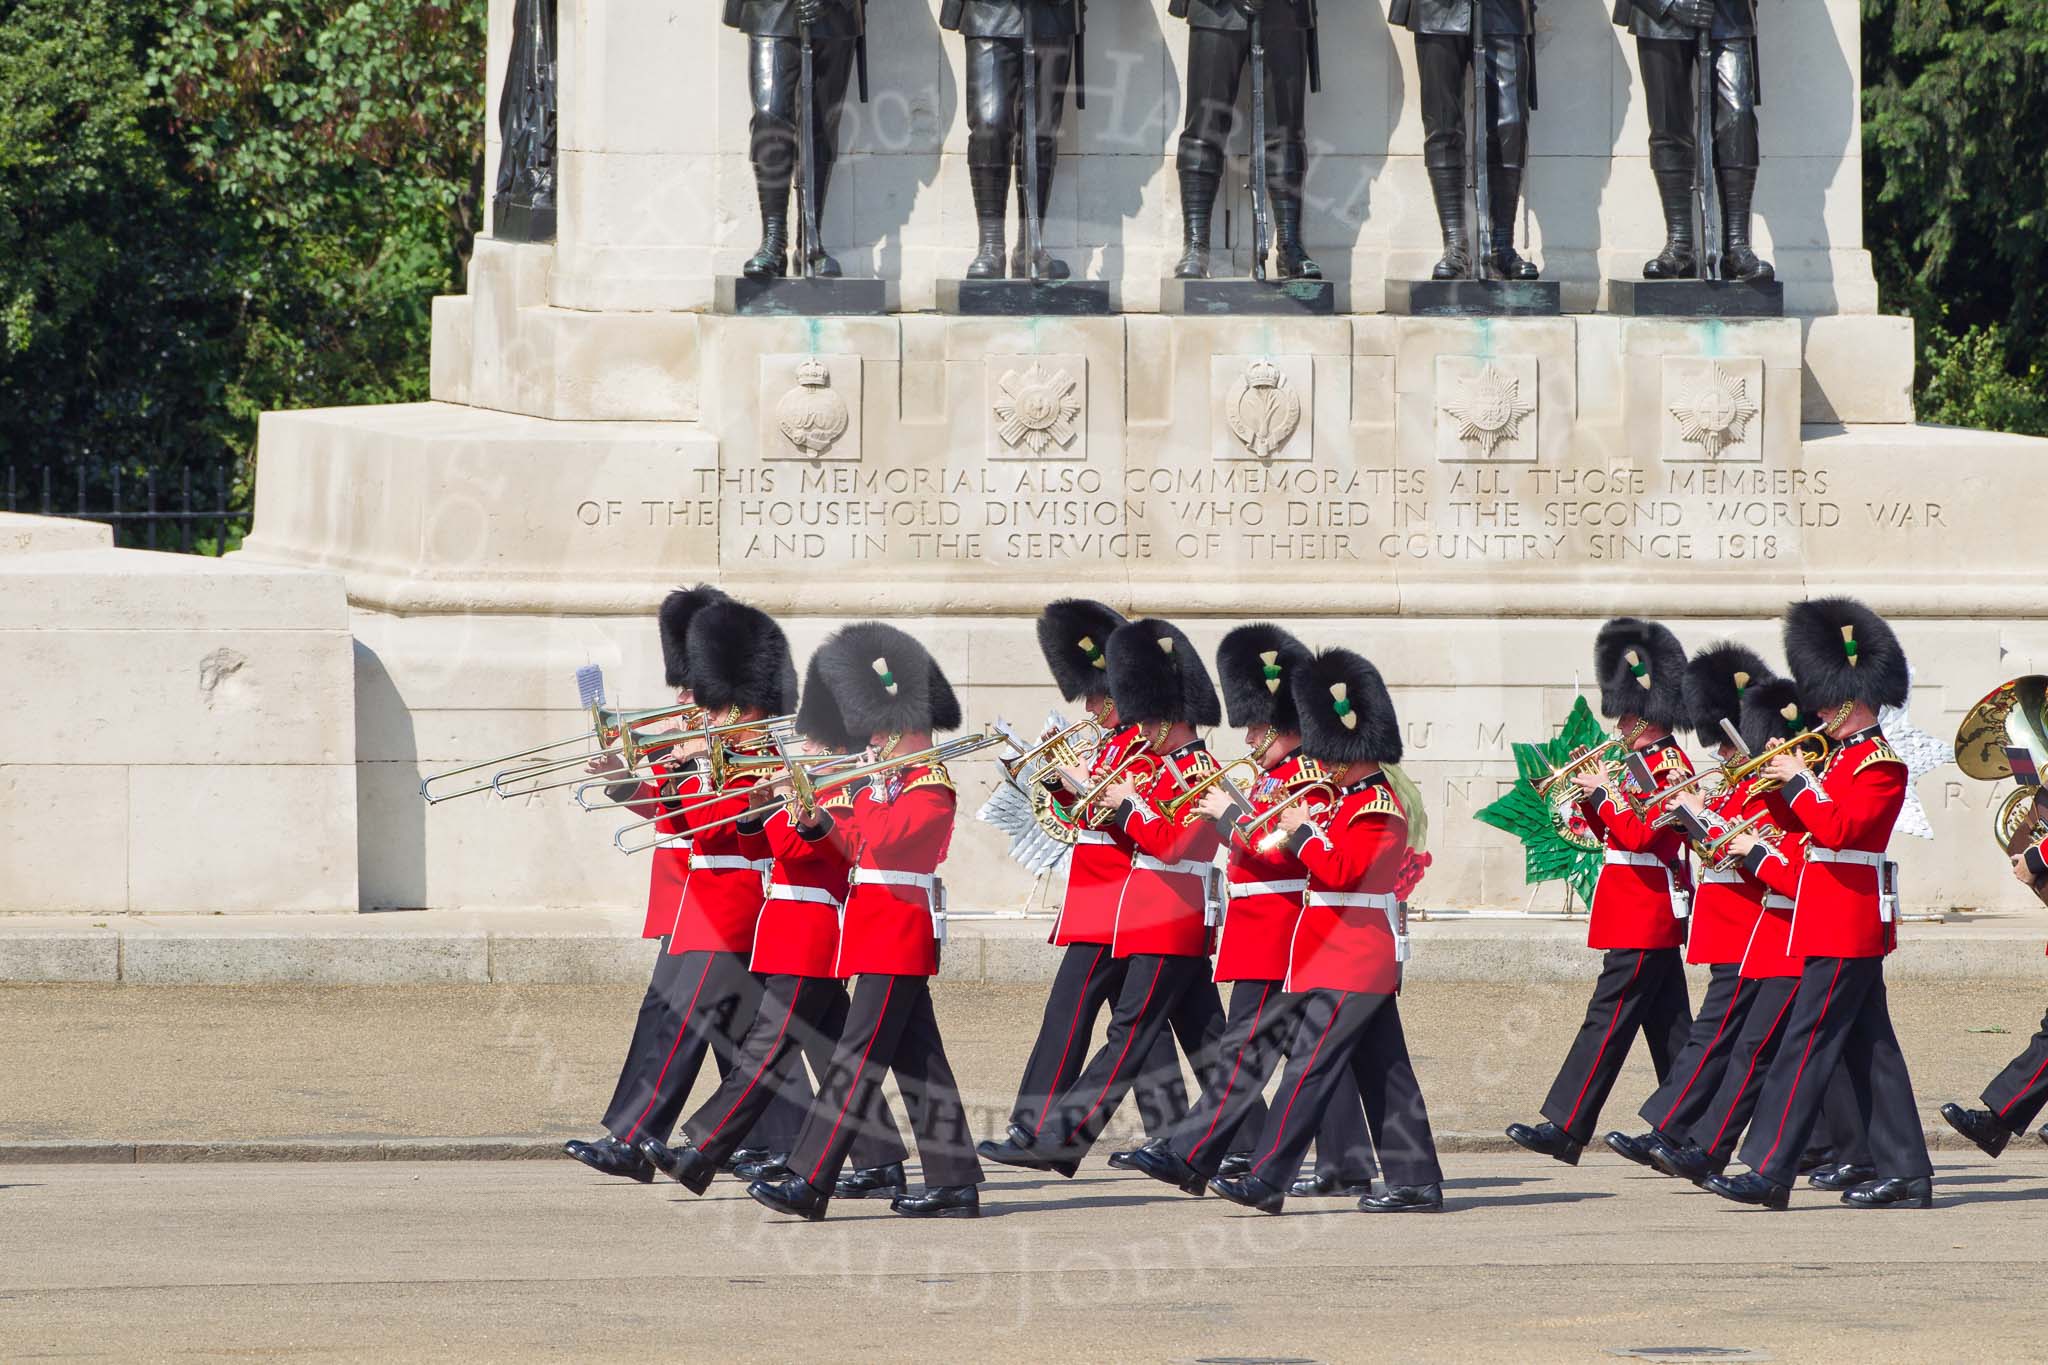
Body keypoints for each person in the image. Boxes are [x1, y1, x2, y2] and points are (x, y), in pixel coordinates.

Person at [638, 653, 913, 1200]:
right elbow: (756, 844)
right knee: (834, 1051)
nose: (803, 751)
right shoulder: (816, 784)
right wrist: (753, 812)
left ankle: (702, 1153)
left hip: (811, 935)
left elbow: (804, 848)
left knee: (762, 1052)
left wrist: (778, 804)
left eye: (813, 744)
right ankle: (879, 1158)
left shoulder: (840, 787)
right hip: (789, 929)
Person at [1123, 624, 1379, 1200]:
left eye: (1259, 728)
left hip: (1280, 929)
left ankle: (1194, 1153)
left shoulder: (1307, 780)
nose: (1250, 739)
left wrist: (1227, 818)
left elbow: (1279, 853)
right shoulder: (1272, 779)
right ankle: (1344, 1162)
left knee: (1245, 1050)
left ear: (1287, 729)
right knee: (1300, 1054)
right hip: (1259, 927)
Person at [992, 618, 1248, 1178]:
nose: (1135, 719)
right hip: (1138, 908)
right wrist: (1070, 786)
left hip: (1163, 911)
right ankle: (1244, 1140)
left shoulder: (1195, 768)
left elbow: (1174, 846)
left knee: (1132, 1035)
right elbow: (1108, 824)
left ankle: (1054, 1134)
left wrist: (1127, 802)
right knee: (1200, 1034)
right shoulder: (1153, 760)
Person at [749, 623, 989, 1220]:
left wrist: (842, 800)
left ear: (907, 728)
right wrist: (811, 819)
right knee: (920, 1062)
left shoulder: (931, 787)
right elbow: (849, 845)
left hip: (898, 931)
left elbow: (877, 845)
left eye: (879, 730)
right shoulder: (883, 785)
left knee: (854, 1062)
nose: (871, 739)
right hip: (874, 929)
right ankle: (954, 1178)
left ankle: (810, 1179)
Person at [564, 586, 803, 1181]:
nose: (706, 710)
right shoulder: (724, 752)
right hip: (706, 900)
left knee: (680, 1021)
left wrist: (677, 766)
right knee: (739, 1030)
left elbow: (714, 828)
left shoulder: (761, 758)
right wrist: (631, 779)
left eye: (720, 703)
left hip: (734, 902)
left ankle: (635, 1136)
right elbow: (681, 824)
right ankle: (785, 1141)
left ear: (744, 703)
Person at [1706, 597, 1934, 1209]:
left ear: (1857, 698)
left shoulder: (1879, 765)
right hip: (1827, 916)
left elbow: (1839, 831)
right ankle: (1906, 1171)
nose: (1822, 711)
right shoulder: (1837, 760)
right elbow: (1807, 826)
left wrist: (1800, 781)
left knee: (1805, 1044)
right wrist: (1779, 782)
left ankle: (1770, 1168)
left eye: (1831, 701)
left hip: (1847, 921)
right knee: (1871, 1050)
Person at [1209, 646, 1445, 1214]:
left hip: (1352, 957)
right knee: (1386, 1072)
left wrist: (1303, 832)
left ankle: (1266, 1180)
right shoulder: (1347, 803)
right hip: (1335, 954)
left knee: (1307, 1072)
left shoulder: (1378, 809)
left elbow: (1342, 872)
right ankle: (1417, 1181)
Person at [1646, 678, 1872, 1188]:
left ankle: (1720, 1150)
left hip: (1803, 929)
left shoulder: (1810, 792)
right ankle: (1849, 1152)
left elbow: (1804, 872)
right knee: (1819, 1052)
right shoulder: (1788, 792)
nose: (1768, 752)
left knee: (1774, 1049)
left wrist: (1755, 849)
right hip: (1775, 930)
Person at [1507, 617, 1695, 1165]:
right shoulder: (1636, 764)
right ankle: (1691, 1128)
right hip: (1629, 901)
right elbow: (1609, 833)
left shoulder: (1670, 768)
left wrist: (1607, 792)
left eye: (1629, 716)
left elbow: (1641, 834)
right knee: (1671, 1027)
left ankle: (1567, 1126)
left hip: (1648, 903)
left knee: (1608, 1017)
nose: (1621, 726)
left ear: (1651, 715)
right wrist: (1585, 800)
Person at [1605, 644, 1773, 1168]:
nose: (1720, 756)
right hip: (1728, 921)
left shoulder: (1762, 787)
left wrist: (1696, 814)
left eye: (1726, 746)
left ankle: (1678, 1132)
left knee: (1728, 1039)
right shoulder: (1733, 785)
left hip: (1753, 923)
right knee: (1735, 1040)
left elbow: (1752, 851)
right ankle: (1688, 1134)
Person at [1611, 0, 1772, 281]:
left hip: (1728, 12)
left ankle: (1736, 245)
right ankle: (1680, 244)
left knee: (1739, 118)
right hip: (1658, 15)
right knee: (1668, 125)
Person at [1170, 0, 1322, 280]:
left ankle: (1290, 246)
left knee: (1286, 132)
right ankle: (1195, 245)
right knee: (1204, 128)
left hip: (1285, 10)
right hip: (1216, 9)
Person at [1392, 0, 1539, 280]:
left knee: (1512, 124)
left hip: (1505, 10)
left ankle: (1502, 245)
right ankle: (1455, 244)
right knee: (1442, 123)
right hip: (1437, 9)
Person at [942, 0, 1082, 279]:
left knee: (1041, 132)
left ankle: (1030, 246)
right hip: (989, 12)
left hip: (1053, 14)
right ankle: (991, 245)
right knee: (988, 125)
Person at [725, 0, 863, 279]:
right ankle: (773, 240)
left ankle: (810, 240)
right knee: (769, 116)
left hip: (834, 12)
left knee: (821, 125)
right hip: (769, 9)